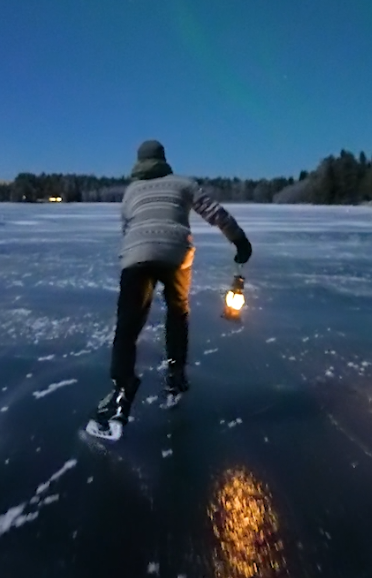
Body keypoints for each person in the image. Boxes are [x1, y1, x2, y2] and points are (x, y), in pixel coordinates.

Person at [90, 140, 252, 437]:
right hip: (177, 254)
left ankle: (122, 393)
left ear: (139, 162)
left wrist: (133, 255)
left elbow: (127, 229)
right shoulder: (183, 183)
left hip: (137, 255)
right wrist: (239, 240)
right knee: (178, 310)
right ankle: (176, 375)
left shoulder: (131, 192)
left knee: (128, 326)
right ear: (163, 159)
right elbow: (215, 212)